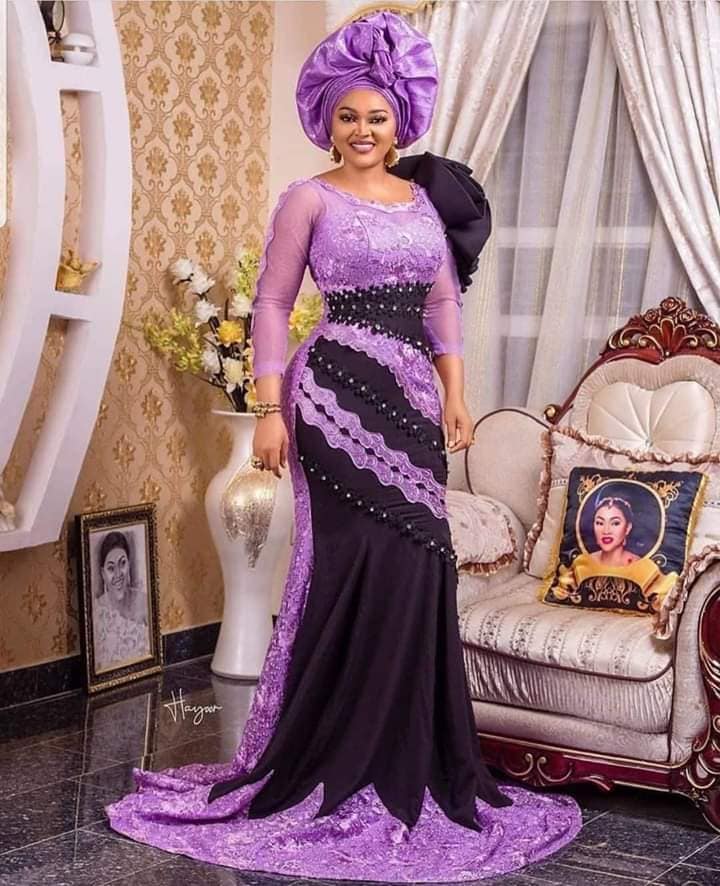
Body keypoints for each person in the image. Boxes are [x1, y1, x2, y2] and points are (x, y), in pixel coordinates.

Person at [105, 11, 581, 880]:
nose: (363, 130)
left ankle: (409, 750)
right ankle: (329, 751)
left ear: (400, 124)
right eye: (349, 116)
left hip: (413, 403)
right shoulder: (308, 199)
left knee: (418, 568)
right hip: (330, 399)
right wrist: (270, 409)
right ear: (329, 120)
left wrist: (457, 397)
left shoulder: (425, 203)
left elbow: (443, 304)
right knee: (346, 567)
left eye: (378, 117)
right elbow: (273, 304)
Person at [551, 493, 677, 611]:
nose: (606, 531)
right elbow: (563, 591)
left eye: (615, 523)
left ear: (627, 528)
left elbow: (661, 600)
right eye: (600, 523)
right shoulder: (582, 563)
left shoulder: (646, 569)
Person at [93, 530, 148, 670]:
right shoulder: (97, 612)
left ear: (129, 564)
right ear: (103, 574)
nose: (118, 574)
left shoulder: (144, 602)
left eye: (122, 563)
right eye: (111, 568)